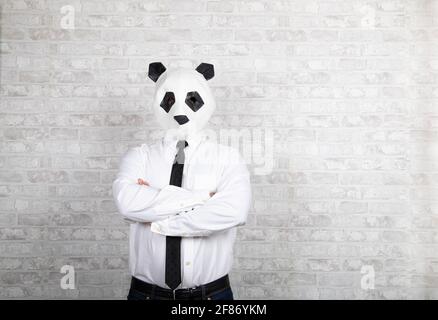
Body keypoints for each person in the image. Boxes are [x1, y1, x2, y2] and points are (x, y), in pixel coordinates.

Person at [112, 62, 252, 300]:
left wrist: (160, 221)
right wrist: (202, 199)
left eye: (190, 99)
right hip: (146, 295)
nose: (178, 110)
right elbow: (126, 202)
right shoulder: (139, 157)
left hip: (211, 295)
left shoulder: (227, 158)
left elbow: (235, 212)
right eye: (169, 100)